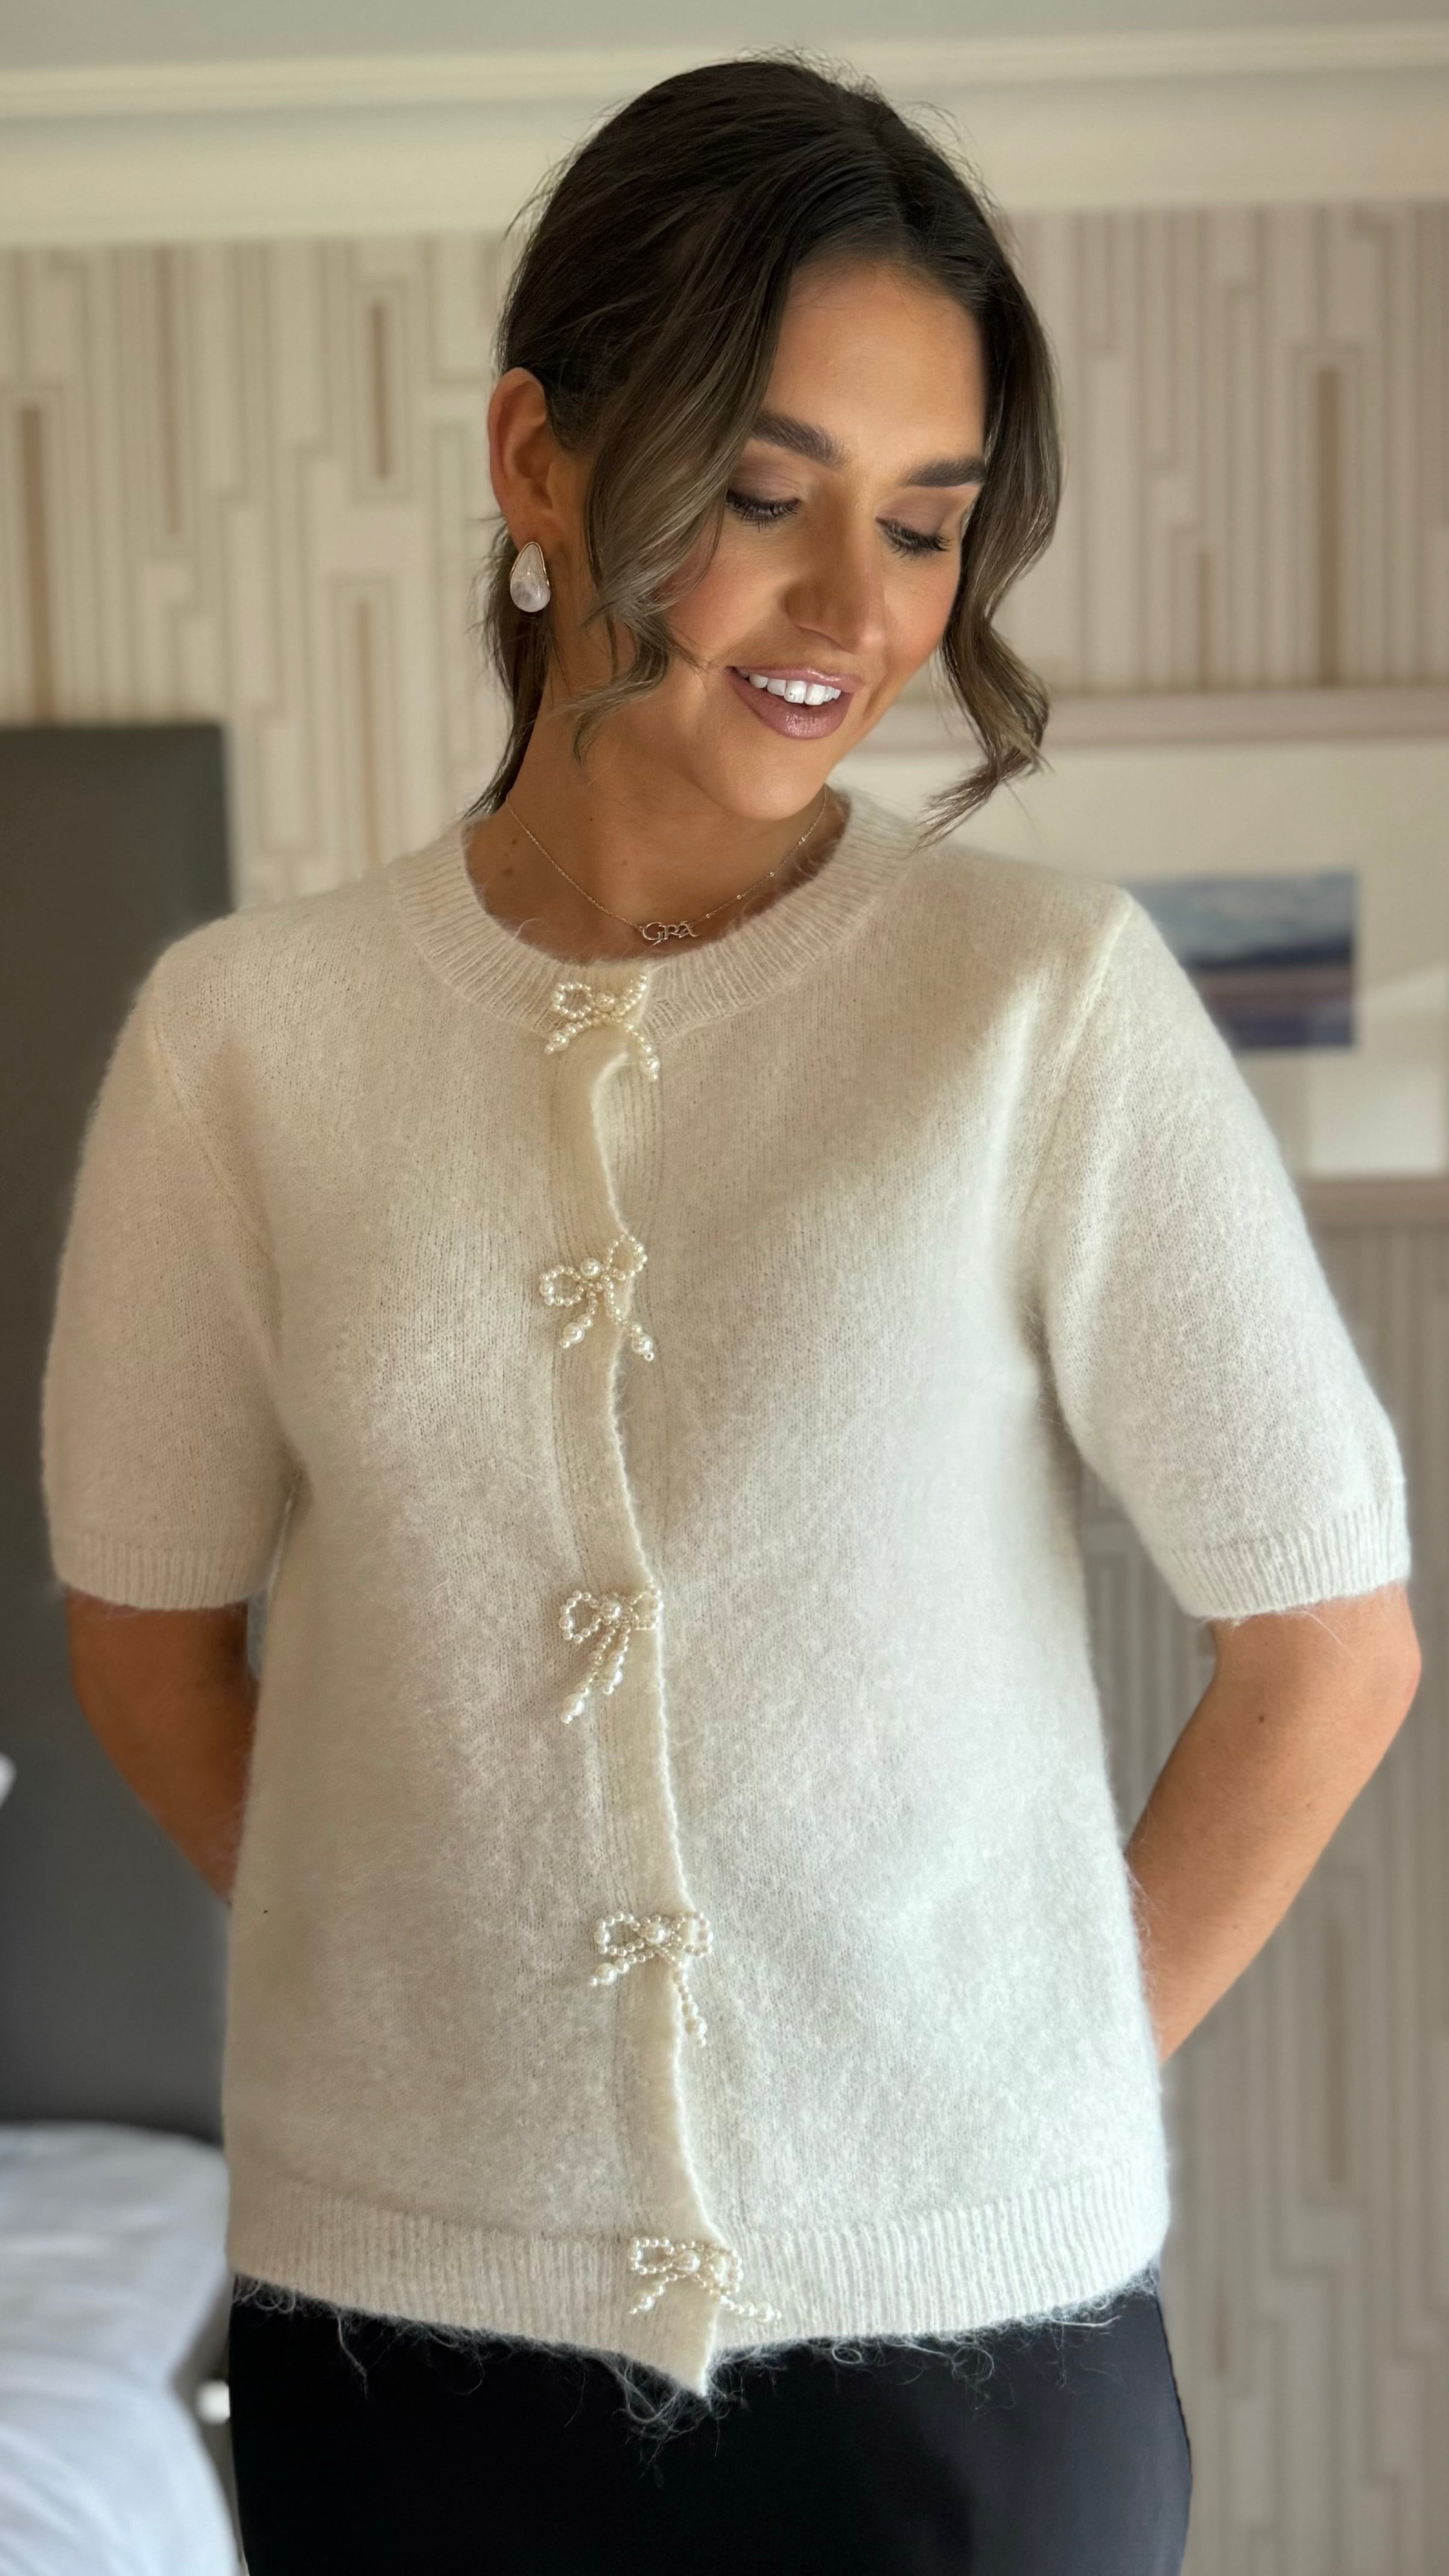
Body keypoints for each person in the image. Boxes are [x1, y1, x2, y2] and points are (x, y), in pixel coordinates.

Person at [43, 53, 1419, 2576]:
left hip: (965, 2366)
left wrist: (1008, 2090)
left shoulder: (1037, 1007)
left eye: (926, 524)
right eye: (768, 497)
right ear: (539, 463)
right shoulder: (246, 1048)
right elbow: (146, 1641)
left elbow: (1326, 1646)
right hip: (402, 2348)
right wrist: (437, 2018)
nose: (860, 615)